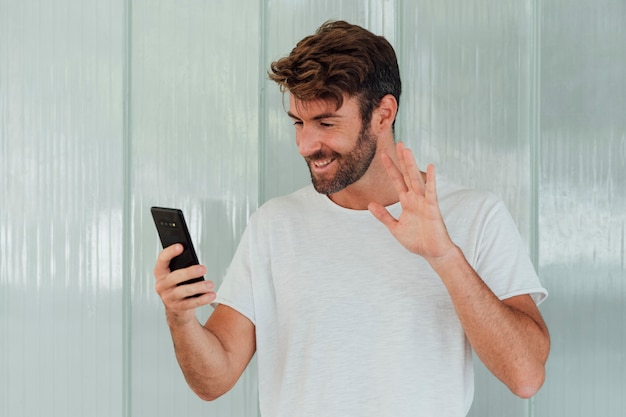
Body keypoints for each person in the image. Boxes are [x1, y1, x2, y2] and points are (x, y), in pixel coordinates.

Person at [153, 20, 550, 417]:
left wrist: (445, 256)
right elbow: (213, 381)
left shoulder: (474, 215)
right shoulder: (274, 225)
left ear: (383, 114)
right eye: (298, 123)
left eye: (326, 123)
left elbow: (526, 376)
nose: (306, 145)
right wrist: (181, 319)